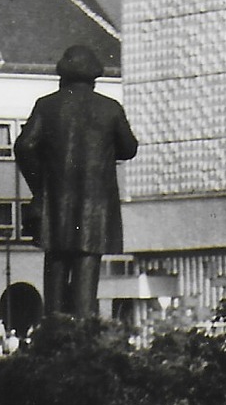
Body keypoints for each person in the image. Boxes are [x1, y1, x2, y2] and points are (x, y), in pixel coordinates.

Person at [14, 45, 139, 318]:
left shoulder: (46, 106)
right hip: (94, 209)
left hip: (56, 205)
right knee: (86, 271)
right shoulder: (110, 109)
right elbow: (129, 148)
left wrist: (40, 186)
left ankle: (53, 333)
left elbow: (24, 146)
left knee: (55, 268)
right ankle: (82, 338)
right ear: (94, 76)